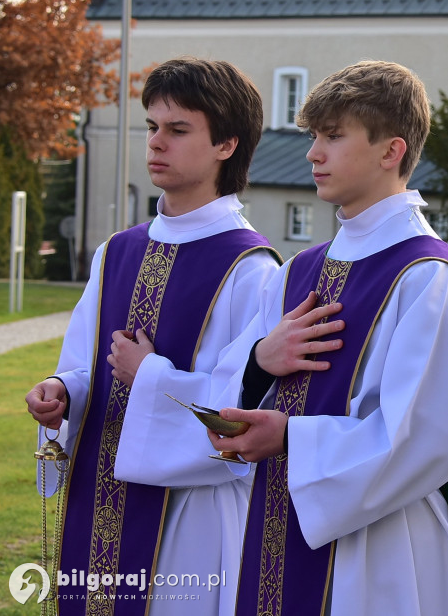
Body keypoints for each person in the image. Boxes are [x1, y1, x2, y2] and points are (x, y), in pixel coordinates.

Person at [207, 60, 448, 616]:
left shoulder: (425, 278)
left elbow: (438, 436)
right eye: (315, 135)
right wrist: (260, 363)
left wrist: (294, 439)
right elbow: (245, 373)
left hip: (379, 546)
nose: (313, 152)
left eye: (334, 136)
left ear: (392, 151)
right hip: (276, 517)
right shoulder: (299, 270)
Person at [24, 57, 280, 615]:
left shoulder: (252, 268)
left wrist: (152, 378)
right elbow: (86, 364)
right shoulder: (116, 251)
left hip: (191, 511)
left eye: (178, 129)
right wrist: (63, 391)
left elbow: (242, 410)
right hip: (100, 489)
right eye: (152, 127)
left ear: (226, 145)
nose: (156, 143)